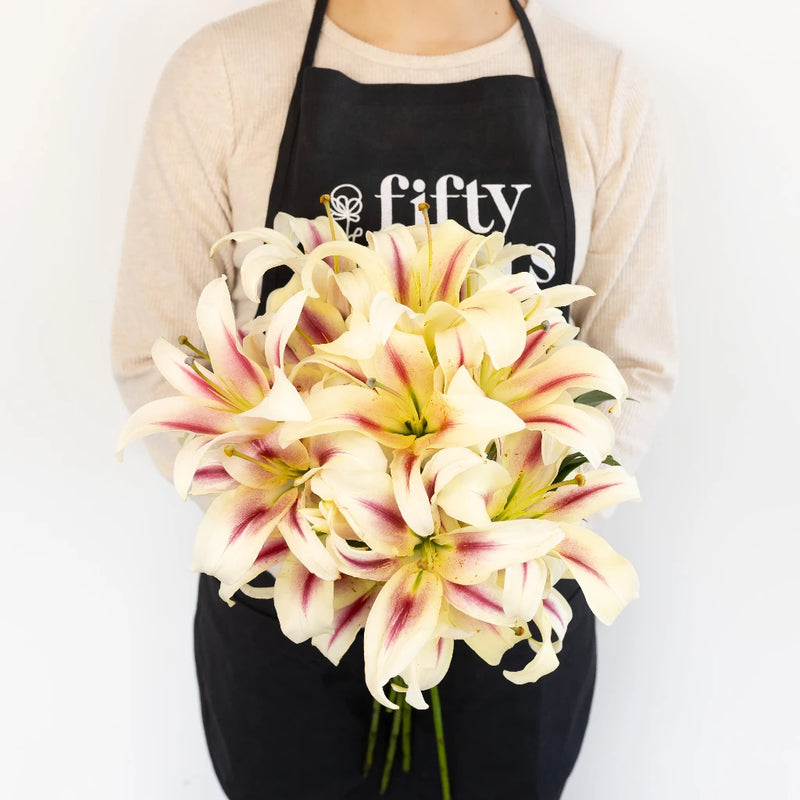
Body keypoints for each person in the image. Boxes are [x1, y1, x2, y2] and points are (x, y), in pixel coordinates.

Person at [111, 1, 677, 797]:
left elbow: (634, 368)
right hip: (288, 600)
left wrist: (489, 546)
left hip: (510, 604)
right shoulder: (224, 74)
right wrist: (337, 538)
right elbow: (156, 357)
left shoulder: (602, 86)